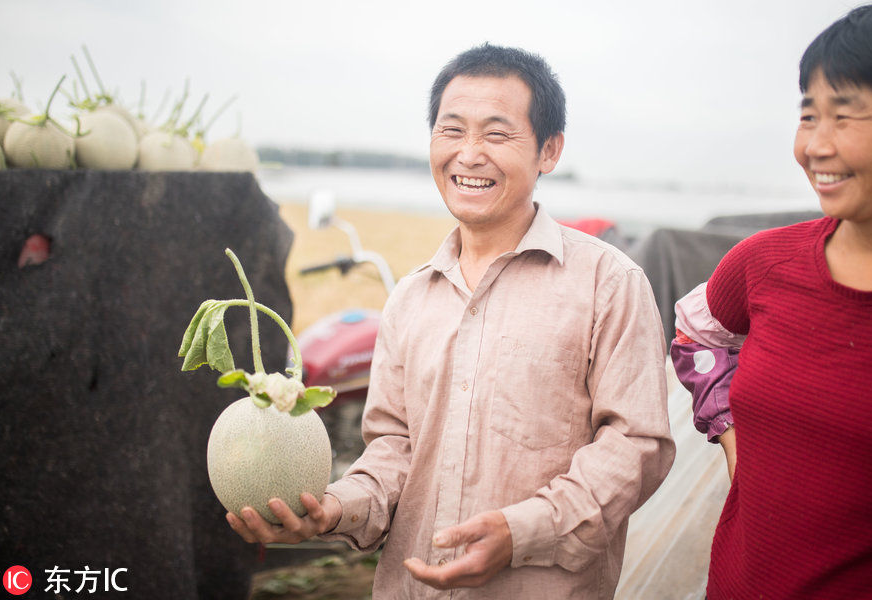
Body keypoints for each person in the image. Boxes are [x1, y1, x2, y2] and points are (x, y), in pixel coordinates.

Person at [230, 43, 675, 598]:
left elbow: (637, 447)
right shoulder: (412, 297)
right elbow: (394, 448)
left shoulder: (610, 283)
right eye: (451, 130)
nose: (468, 154)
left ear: (549, 150)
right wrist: (334, 508)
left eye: (497, 133)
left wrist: (521, 532)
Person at [670, 4, 872, 598]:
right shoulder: (764, 263)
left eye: (843, 117)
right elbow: (695, 335)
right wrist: (731, 432)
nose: (814, 146)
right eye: (808, 115)